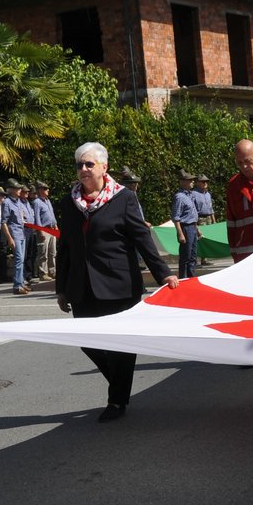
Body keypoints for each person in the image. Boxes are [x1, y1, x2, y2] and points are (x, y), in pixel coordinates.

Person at [55, 142, 179, 422]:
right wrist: (61, 288)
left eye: (89, 164)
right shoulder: (68, 203)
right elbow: (66, 247)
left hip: (119, 283)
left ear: (104, 167)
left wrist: (163, 272)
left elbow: (140, 236)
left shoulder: (123, 198)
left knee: (121, 345)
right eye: (79, 165)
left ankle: (117, 401)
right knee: (88, 341)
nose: (84, 169)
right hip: (82, 286)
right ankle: (119, 384)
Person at [1, 179, 32, 294]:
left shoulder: (19, 202)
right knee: (18, 259)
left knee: (22, 259)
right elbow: (4, 222)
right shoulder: (6, 202)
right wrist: (9, 238)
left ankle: (21, 283)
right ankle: (17, 286)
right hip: (14, 234)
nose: (20, 190)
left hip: (22, 232)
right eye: (17, 188)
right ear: (11, 190)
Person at [171, 170, 202, 279]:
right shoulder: (179, 197)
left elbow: (192, 214)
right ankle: (183, 278)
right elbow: (176, 217)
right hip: (185, 228)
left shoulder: (190, 195)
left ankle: (191, 277)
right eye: (190, 180)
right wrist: (180, 233)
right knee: (186, 256)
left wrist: (197, 229)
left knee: (193, 255)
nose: (192, 182)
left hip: (192, 227)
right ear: (183, 182)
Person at [31, 181, 57, 281]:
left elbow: (52, 214)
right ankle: (43, 273)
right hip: (44, 229)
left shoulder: (47, 200)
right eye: (45, 189)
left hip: (51, 228)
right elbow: (37, 217)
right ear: (40, 190)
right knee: (43, 252)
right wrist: (40, 230)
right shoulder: (37, 202)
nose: (48, 190)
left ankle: (52, 272)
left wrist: (55, 225)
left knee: (52, 252)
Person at [193, 174, 216, 268]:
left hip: (208, 218)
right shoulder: (194, 194)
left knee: (206, 238)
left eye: (206, 181)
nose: (205, 183)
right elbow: (193, 208)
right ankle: (194, 259)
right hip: (200, 218)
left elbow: (211, 208)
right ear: (198, 183)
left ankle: (204, 259)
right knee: (199, 238)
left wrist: (214, 220)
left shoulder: (207, 194)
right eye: (203, 181)